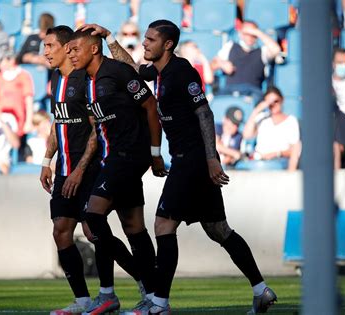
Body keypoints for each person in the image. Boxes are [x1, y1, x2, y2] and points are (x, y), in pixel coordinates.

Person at [82, 20, 277, 314]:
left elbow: (205, 113)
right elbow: (131, 68)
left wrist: (212, 159)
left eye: (150, 40)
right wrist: (110, 38)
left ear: (168, 44)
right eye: (145, 38)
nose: (145, 43)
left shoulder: (182, 71)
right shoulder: (156, 71)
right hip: (188, 158)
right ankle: (261, 290)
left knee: (163, 224)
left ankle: (159, 301)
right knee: (218, 229)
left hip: (193, 160)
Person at [41, 26, 150, 314]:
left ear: (67, 47)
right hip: (64, 166)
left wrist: (80, 170)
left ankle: (141, 282)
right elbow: (57, 122)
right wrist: (46, 160)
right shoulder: (55, 79)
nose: (45, 51)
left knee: (93, 230)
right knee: (61, 231)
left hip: (89, 166)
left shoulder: (86, 75)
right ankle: (82, 300)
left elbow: (96, 126)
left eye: (49, 45)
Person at [68, 28, 165, 314]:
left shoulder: (118, 72)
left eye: (75, 49)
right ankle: (153, 293)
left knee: (92, 216)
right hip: (111, 158)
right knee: (134, 227)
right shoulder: (85, 82)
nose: (71, 54)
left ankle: (140, 279)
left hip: (129, 156)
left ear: (93, 49)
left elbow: (150, 106)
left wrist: (155, 153)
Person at [211, 21, 281, 103]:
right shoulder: (230, 46)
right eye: (247, 33)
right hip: (230, 93)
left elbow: (276, 50)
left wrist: (257, 32)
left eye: (253, 34)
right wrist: (222, 64)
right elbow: (212, 65)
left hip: (252, 94)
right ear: (241, 34)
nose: (250, 37)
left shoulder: (263, 52)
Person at [243, 86, 301, 171]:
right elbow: (247, 135)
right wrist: (256, 111)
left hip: (279, 162)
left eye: (275, 101)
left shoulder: (291, 121)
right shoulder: (262, 118)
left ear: (282, 100)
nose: (273, 105)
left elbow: (295, 150)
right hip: (259, 162)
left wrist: (276, 154)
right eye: (269, 103)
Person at [0, 51, 34, 151]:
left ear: (11, 60)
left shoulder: (23, 75)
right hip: (1, 118)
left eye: (1, 61)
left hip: (18, 118)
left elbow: (28, 99)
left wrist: (28, 121)